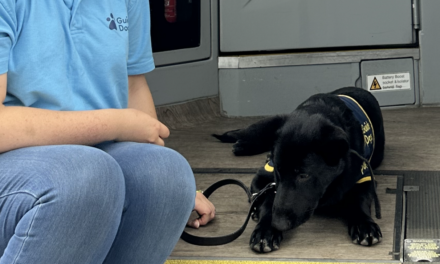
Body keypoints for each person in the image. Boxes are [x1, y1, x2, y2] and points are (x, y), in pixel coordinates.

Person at [0, 1, 215, 263]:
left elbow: (133, 85)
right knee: (87, 177)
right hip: (20, 166)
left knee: (167, 176)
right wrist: (114, 123)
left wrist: (181, 193)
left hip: (93, 166)